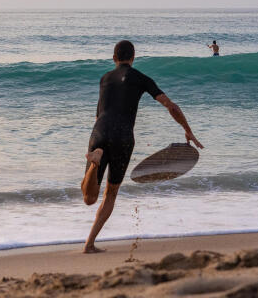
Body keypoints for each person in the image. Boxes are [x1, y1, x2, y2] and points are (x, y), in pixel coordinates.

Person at [80, 40, 203, 253]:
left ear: (114, 58)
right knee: (110, 194)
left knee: (89, 198)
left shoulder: (104, 78)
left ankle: (94, 164)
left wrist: (99, 141)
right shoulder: (141, 79)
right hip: (123, 136)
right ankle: (89, 244)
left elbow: (98, 114)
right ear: (133, 57)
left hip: (99, 131)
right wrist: (188, 130)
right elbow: (171, 106)